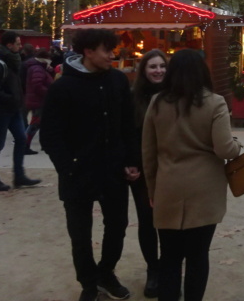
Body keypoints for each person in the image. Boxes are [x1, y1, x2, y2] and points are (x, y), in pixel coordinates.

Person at [41, 29, 139, 301]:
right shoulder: (62, 88)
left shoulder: (118, 81)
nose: (112, 55)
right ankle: (88, 283)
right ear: (88, 52)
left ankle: (107, 273)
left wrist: (131, 160)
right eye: (106, 50)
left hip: (113, 172)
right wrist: (68, 166)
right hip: (78, 175)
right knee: (80, 235)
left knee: (117, 226)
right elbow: (50, 135)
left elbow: (127, 125)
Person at [142, 49, 241, 301]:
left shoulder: (157, 102)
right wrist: (237, 144)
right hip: (205, 190)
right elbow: (224, 148)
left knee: (169, 257)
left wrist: (152, 190)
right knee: (198, 256)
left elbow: (148, 151)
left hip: (168, 187)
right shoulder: (215, 102)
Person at [0, 31, 41, 192]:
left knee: (21, 139)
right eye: (17, 43)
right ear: (9, 45)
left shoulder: (13, 61)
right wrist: (11, 98)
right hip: (0, 110)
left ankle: (19, 175)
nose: (20, 45)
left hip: (13, 109)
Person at [131, 50, 167, 298]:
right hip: (142, 168)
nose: (158, 71)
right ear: (144, 70)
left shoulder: (174, 96)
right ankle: (153, 269)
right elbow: (128, 133)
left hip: (170, 169)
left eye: (162, 66)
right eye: (152, 66)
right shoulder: (134, 99)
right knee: (147, 220)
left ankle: (168, 267)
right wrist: (130, 163)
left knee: (169, 222)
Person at [24, 48, 54, 154]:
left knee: (40, 123)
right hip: (39, 101)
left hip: (37, 100)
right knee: (35, 124)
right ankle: (25, 145)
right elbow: (37, 85)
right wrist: (49, 93)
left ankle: (42, 145)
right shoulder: (37, 69)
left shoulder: (37, 67)